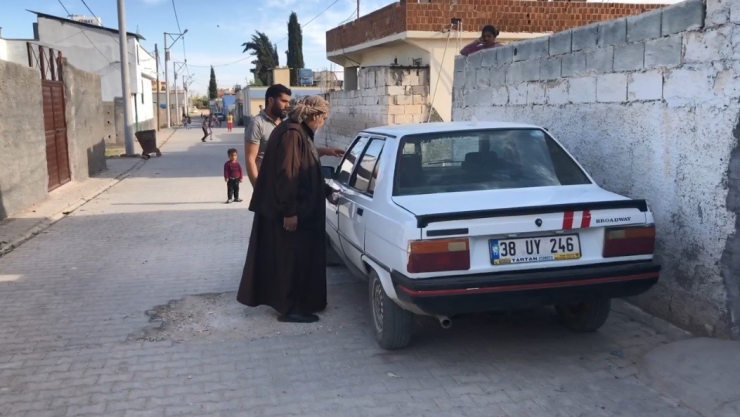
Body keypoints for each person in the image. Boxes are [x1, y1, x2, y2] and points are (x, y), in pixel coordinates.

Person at [236, 95, 344, 323]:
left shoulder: (296, 132)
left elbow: (306, 169)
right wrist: (289, 212)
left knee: (297, 259)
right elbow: (288, 175)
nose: (323, 122)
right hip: (291, 213)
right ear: (314, 115)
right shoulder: (292, 135)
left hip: (298, 210)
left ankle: (304, 302)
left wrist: (325, 190)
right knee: (291, 261)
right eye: (323, 117)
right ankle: (290, 308)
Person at [243, 84, 292, 188]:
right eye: (283, 101)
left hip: (283, 184)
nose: (287, 105)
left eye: (289, 102)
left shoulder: (284, 123)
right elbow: (250, 159)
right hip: (266, 185)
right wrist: (257, 188)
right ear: (271, 100)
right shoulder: (257, 124)